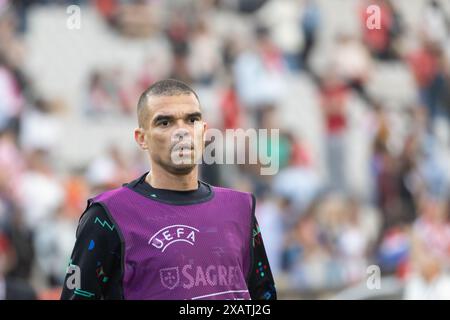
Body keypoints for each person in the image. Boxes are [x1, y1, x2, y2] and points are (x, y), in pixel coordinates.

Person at [61, 79, 277, 300]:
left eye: (192, 120)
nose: (182, 132)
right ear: (142, 138)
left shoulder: (240, 208)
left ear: (203, 131)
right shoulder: (108, 214)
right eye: (165, 123)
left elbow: (265, 296)